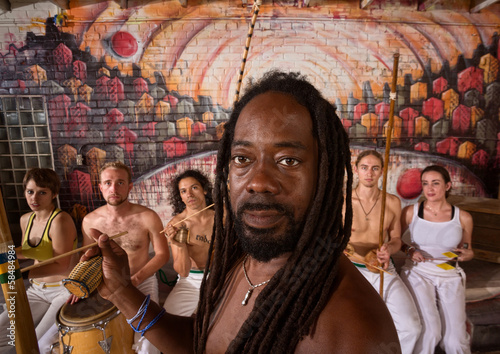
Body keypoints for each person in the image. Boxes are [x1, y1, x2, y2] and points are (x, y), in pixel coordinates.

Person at [83, 71, 401, 353]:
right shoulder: (239, 260)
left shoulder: (355, 329)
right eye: (243, 159)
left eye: (288, 160)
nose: (258, 182)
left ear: (325, 175)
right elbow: (200, 342)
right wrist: (121, 291)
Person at [78, 161, 169, 354]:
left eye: (120, 182)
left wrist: (135, 279)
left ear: (129, 186)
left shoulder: (147, 216)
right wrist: (80, 283)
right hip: (106, 284)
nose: (114, 188)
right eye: (108, 183)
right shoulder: (90, 221)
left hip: (141, 281)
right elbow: (88, 259)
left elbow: (162, 255)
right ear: (100, 187)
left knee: (147, 345)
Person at [346, 150, 421, 354]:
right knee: (357, 328)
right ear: (356, 170)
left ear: (382, 172)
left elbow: (396, 239)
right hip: (351, 271)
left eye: (375, 168)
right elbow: (330, 238)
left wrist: (389, 248)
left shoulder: (392, 202)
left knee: (411, 328)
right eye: (364, 168)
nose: (369, 173)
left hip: (381, 269)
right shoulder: (342, 202)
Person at [0, 168, 78, 353]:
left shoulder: (61, 220)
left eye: (42, 192)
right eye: (30, 191)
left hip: (63, 289)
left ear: (54, 194)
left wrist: (22, 273)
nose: (34, 198)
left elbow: (61, 264)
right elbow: (31, 251)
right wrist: (6, 254)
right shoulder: (25, 219)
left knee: (34, 343)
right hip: (36, 290)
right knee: (4, 336)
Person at [400, 165, 474, 354]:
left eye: (435, 183)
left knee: (455, 341)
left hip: (449, 273)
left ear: (448, 186)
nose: (430, 189)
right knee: (430, 331)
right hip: (418, 272)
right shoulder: (410, 212)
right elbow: (396, 242)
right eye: (425, 184)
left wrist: (466, 253)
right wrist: (409, 251)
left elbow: (466, 248)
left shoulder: (463, 217)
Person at [163, 170, 214, 317]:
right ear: (181, 197)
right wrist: (179, 244)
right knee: (169, 323)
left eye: (194, 188)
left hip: (221, 277)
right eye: (183, 191)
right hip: (191, 281)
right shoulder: (176, 224)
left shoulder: (222, 217)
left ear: (204, 190)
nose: (189, 194)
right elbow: (183, 272)